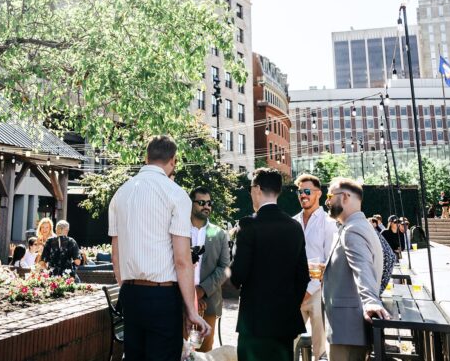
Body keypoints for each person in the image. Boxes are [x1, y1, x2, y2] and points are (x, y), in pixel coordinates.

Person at [108, 135, 209, 361]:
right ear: (173, 160)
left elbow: (116, 253)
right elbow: (182, 260)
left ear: (146, 157)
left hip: (131, 294)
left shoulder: (120, 194)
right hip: (163, 296)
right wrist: (191, 311)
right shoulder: (176, 194)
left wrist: (128, 288)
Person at [229, 167, 309, 361]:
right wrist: (290, 305)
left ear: (256, 189)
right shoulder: (295, 227)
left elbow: (238, 274)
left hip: (255, 321)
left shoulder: (248, 225)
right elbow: (303, 276)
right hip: (285, 321)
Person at [323, 177, 388, 361]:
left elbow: (363, 268)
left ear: (344, 197)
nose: (327, 201)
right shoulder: (359, 226)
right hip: (348, 330)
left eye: (329, 195)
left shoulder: (353, 229)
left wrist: (370, 300)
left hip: (347, 331)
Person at [293, 173, 337, 361]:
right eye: (300, 191)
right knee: (288, 339)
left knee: (321, 348)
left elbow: (329, 261)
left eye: (307, 191)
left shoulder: (329, 223)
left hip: (319, 291)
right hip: (294, 291)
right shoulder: (293, 222)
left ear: (318, 193)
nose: (303, 195)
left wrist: (310, 290)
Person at [187, 186, 231, 353]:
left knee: (204, 352)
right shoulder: (179, 230)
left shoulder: (219, 233)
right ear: (191, 204)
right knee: (182, 351)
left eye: (209, 203)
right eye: (201, 202)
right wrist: (189, 294)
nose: (206, 206)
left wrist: (201, 290)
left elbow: (224, 267)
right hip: (180, 302)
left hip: (209, 302)